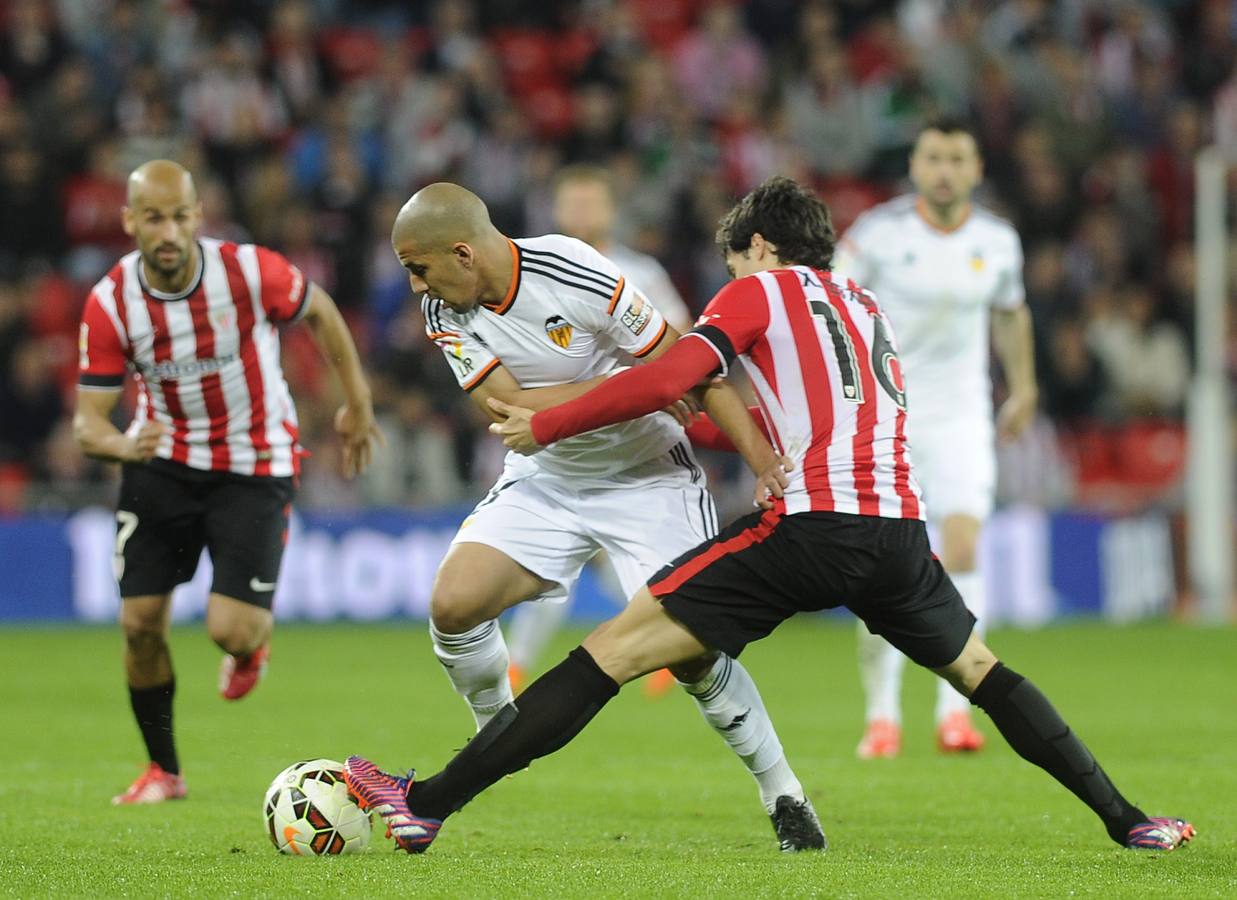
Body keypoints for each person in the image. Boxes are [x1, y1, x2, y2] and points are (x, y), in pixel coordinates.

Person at [343, 176, 1193, 855]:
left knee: (613, 650)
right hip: (896, 531)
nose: (730, 273)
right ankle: (1128, 819)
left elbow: (668, 377)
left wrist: (559, 421)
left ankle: (426, 802)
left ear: (758, 246)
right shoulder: (867, 308)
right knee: (983, 673)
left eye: (733, 257)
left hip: (804, 525)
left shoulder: (755, 296)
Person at [387, 182, 822, 851]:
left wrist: (760, 459)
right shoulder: (442, 308)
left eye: (420, 267)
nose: (415, 283)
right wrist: (646, 385)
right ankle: (494, 734)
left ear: (464, 254)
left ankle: (782, 791)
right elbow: (509, 411)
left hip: (648, 478)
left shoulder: (572, 269)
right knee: (453, 603)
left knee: (695, 655)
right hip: (548, 478)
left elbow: (692, 367)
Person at [74, 160, 382, 805]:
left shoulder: (246, 271)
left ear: (197, 216)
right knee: (138, 623)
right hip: (160, 461)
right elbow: (87, 426)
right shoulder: (110, 303)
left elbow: (320, 311)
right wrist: (125, 445)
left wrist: (356, 401)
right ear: (130, 221)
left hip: (254, 460)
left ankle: (250, 649)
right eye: (154, 218)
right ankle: (165, 771)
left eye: (181, 216)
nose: (169, 231)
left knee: (231, 630)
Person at [832, 117, 1038, 758]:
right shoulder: (878, 235)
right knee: (882, 562)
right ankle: (882, 715)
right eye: (933, 157)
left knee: (965, 546)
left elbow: (1010, 312)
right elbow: (832, 305)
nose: (944, 169)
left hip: (961, 416)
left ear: (976, 170)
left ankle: (955, 711)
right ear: (915, 167)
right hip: (885, 415)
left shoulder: (997, 241)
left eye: (956, 158)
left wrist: (1025, 387)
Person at [507, 164, 693, 694]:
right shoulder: (531, 275)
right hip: (557, 439)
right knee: (556, 567)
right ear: (557, 209)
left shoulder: (643, 273)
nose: (583, 213)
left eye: (593, 202)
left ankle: (661, 647)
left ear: (611, 210)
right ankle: (517, 664)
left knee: (623, 557)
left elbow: (678, 348)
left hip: (636, 438)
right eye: (573, 202)